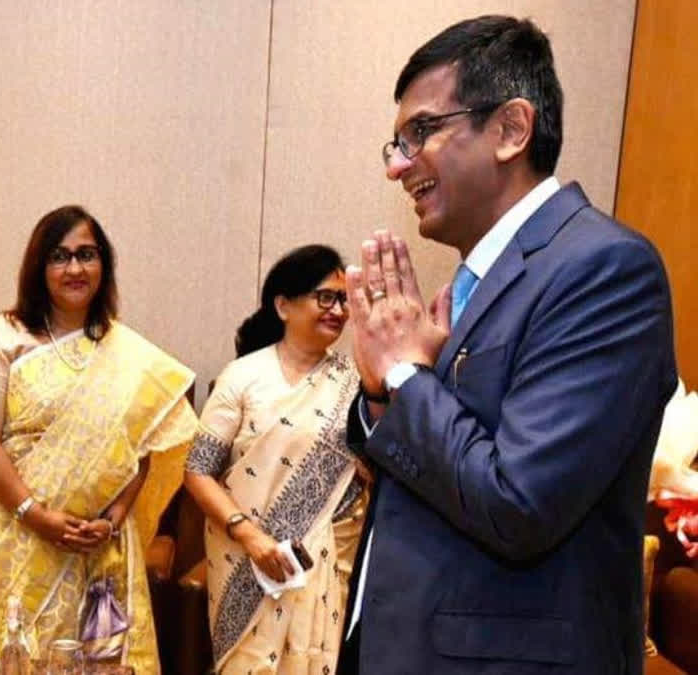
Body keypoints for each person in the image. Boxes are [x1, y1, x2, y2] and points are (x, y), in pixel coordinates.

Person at [339, 16, 677, 674]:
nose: (399, 166)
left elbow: (519, 503)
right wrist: (383, 393)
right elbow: (429, 463)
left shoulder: (604, 269)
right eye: (395, 143)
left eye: (421, 132)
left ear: (511, 130)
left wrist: (408, 376)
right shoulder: (475, 284)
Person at [0, 205, 196, 673]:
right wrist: (35, 515)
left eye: (87, 254)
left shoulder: (124, 350)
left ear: (104, 265)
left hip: (98, 547)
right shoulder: (4, 335)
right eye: (60, 257)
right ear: (38, 267)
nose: (75, 269)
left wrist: (114, 517)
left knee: (99, 659)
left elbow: (141, 444)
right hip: (14, 531)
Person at [185, 245, 368, 673]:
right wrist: (249, 535)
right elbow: (197, 471)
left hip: (323, 568)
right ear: (283, 305)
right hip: (246, 562)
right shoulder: (244, 376)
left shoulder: (355, 380)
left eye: (344, 300)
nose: (338, 310)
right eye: (326, 297)